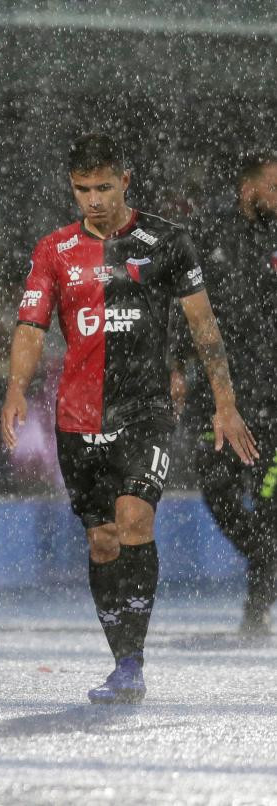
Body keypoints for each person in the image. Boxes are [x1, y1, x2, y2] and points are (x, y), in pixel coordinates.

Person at [1, 132, 257, 705]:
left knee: (134, 521)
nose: (93, 200)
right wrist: (15, 390)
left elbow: (203, 326)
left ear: (126, 180)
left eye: (104, 187)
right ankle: (120, 660)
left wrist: (225, 400)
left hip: (145, 412)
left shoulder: (166, 241)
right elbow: (30, 327)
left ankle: (133, 663)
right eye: (82, 189)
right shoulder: (53, 250)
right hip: (76, 417)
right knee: (102, 542)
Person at [182, 152, 277, 635]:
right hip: (216, 398)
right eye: (274, 188)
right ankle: (268, 564)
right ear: (248, 188)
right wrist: (175, 365)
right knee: (216, 490)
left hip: (273, 401)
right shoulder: (205, 234)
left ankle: (257, 608)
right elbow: (181, 307)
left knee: (269, 503)